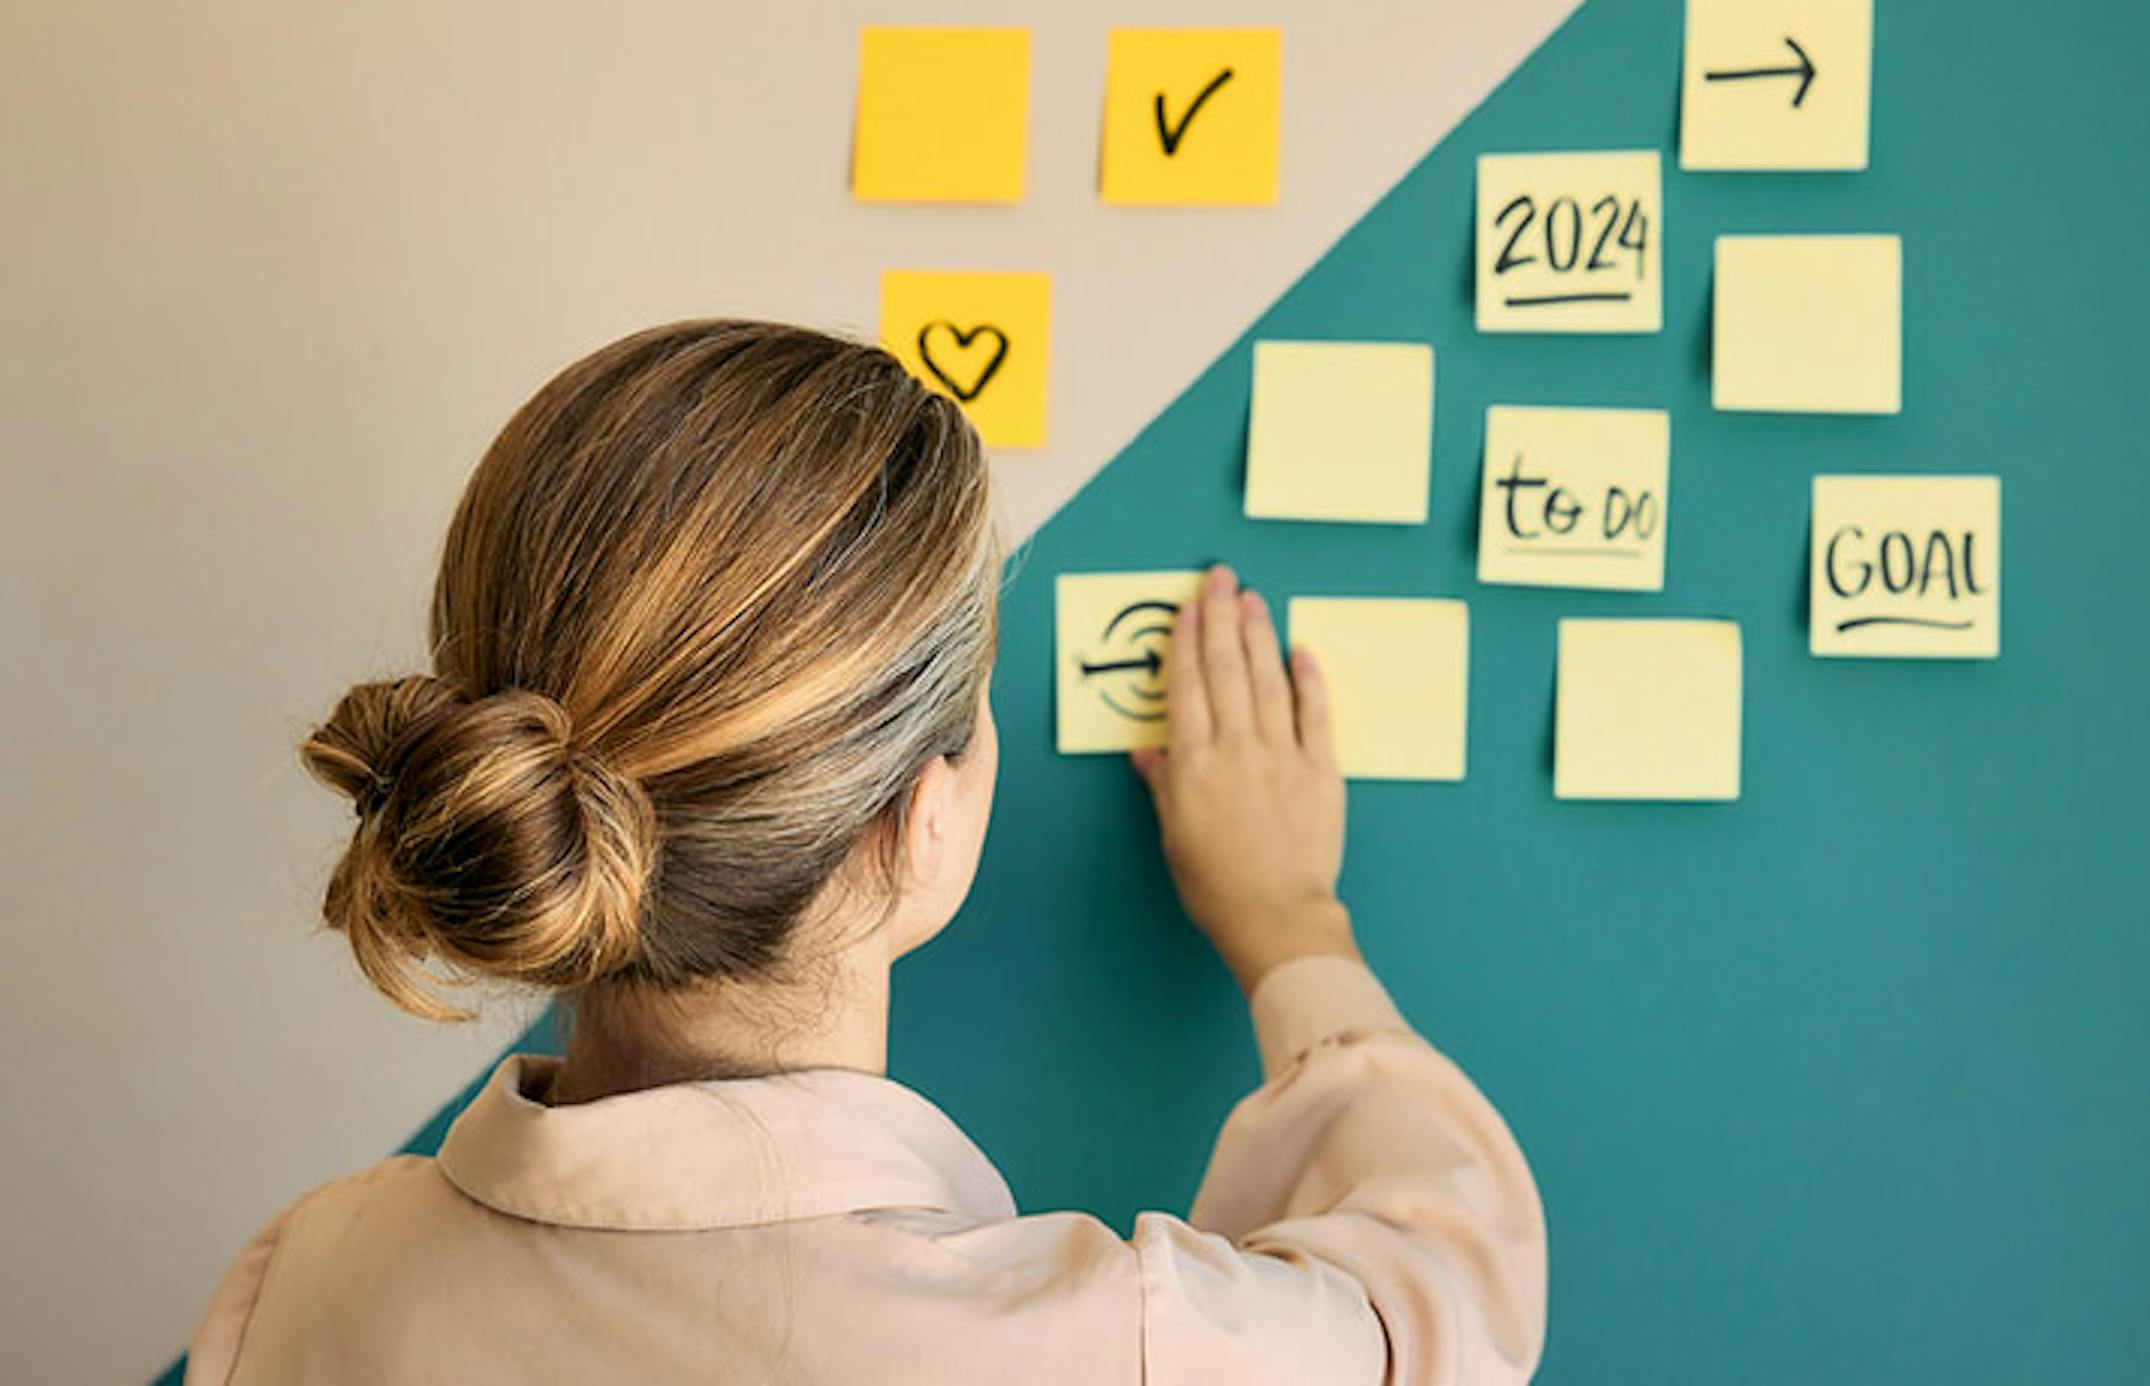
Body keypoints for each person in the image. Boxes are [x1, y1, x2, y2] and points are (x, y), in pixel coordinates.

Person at [183, 320, 1545, 1383]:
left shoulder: (309, 1280)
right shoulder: (1122, 1349)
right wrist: (1291, 916)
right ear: (923, 819)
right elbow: (1449, 1295)